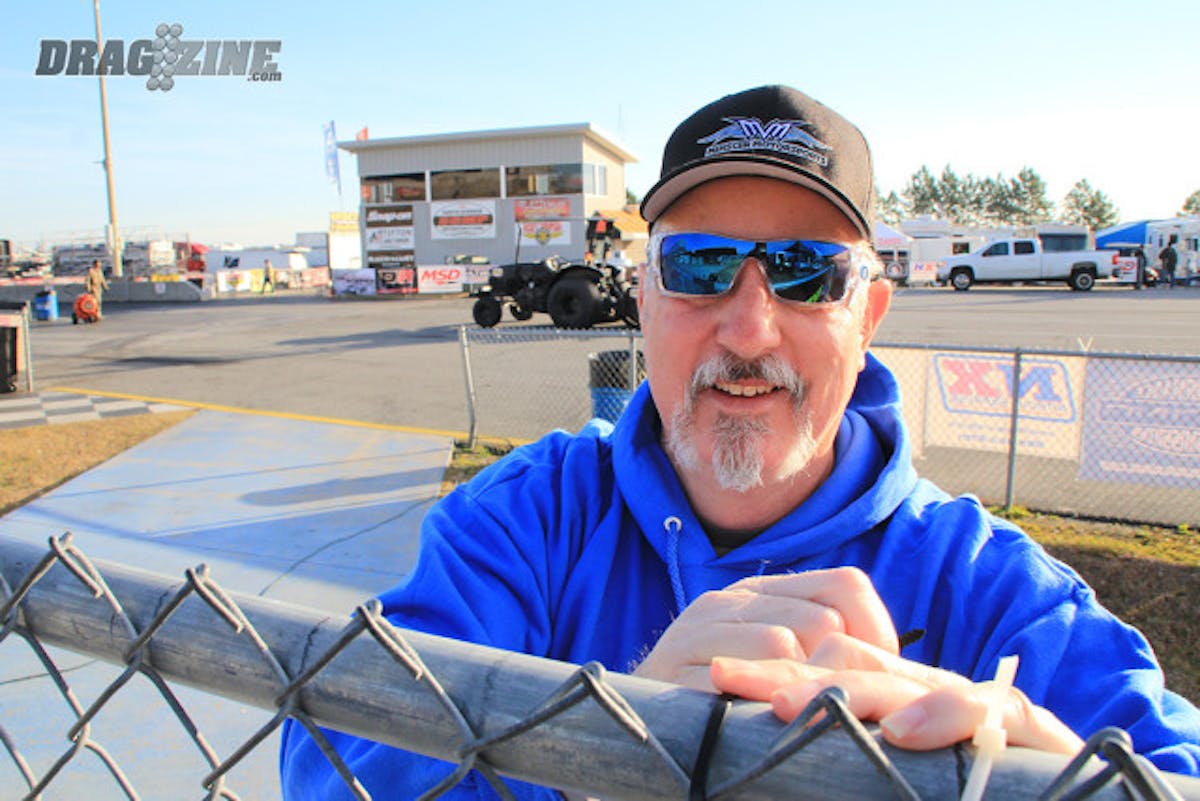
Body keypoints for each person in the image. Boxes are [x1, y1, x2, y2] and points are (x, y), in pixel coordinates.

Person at [280, 85, 1200, 799]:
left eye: (807, 274)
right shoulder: (527, 520)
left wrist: (1045, 768)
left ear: (868, 316)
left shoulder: (988, 588)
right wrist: (602, 753)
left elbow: (1171, 759)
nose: (750, 328)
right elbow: (332, 752)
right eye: (700, 265)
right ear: (646, 297)